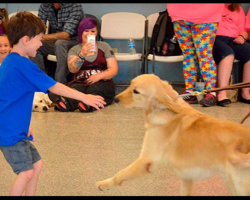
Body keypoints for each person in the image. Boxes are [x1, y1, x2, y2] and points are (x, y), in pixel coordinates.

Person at [0, 11, 106, 196]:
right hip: (9, 133)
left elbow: (11, 99)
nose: (41, 44)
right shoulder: (23, 65)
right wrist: (85, 98)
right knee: (26, 172)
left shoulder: (12, 61)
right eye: (39, 39)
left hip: (15, 129)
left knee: (36, 165)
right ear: (26, 40)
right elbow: (55, 87)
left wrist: (26, 125)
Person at [49, 18, 118, 112]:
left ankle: (88, 104)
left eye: (93, 31)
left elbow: (113, 69)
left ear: (96, 32)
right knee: (75, 91)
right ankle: (67, 103)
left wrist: (99, 76)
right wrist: (82, 54)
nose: (90, 33)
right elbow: (72, 69)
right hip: (81, 81)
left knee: (96, 89)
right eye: (86, 31)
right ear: (81, 32)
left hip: (102, 82)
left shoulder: (104, 46)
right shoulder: (74, 49)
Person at [167, 3, 225, 107]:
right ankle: (190, 92)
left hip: (207, 14)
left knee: (204, 54)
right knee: (188, 55)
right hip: (179, 16)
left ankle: (211, 93)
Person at [29, 3, 84, 84]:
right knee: (35, 45)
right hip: (56, 43)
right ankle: (41, 82)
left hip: (76, 43)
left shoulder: (75, 5)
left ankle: (60, 83)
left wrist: (39, 37)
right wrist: (34, 36)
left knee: (60, 43)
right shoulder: (45, 5)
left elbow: (66, 35)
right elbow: (39, 28)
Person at [213, 3, 250, 106]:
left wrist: (242, 37)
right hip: (214, 38)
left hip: (233, 39)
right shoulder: (212, 6)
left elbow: (244, 31)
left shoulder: (238, 9)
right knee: (228, 53)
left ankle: (245, 92)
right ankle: (222, 93)